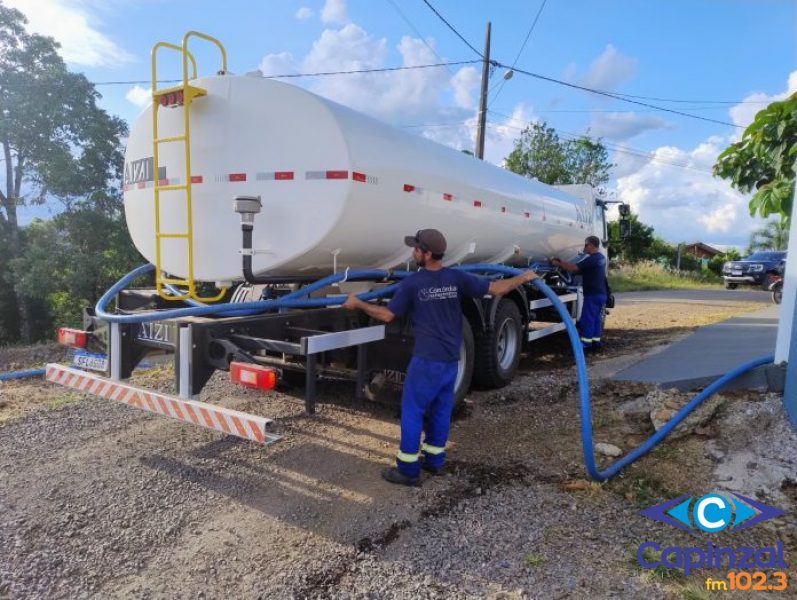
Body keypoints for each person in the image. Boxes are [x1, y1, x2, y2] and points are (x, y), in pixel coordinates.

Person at [343, 229, 538, 486]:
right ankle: (435, 462)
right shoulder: (456, 278)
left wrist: (358, 304)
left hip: (426, 360)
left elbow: (387, 315)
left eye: (416, 249)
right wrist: (523, 277)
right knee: (440, 410)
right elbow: (496, 288)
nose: (413, 252)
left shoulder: (413, 283)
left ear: (426, 253)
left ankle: (408, 470)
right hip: (450, 361)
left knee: (412, 411)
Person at [551, 235, 608, 351]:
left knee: (587, 320)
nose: (584, 247)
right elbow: (581, 270)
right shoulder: (601, 258)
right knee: (596, 319)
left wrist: (559, 264)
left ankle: (586, 344)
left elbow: (574, 268)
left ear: (591, 245)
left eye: (586, 245)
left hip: (592, 295)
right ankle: (596, 343)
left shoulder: (592, 259)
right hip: (601, 294)